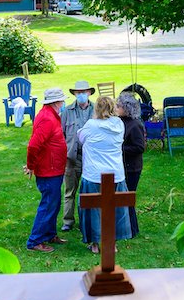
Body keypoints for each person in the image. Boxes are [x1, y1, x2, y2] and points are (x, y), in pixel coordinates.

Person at [77, 96, 131, 253]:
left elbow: (81, 138)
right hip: (115, 174)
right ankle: (112, 244)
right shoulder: (119, 124)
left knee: (93, 209)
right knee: (114, 209)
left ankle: (95, 244)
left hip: (94, 174)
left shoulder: (91, 125)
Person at [24, 88, 68, 253]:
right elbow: (34, 145)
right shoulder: (48, 118)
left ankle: (50, 234)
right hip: (49, 171)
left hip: (54, 169)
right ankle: (35, 240)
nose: (63, 103)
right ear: (56, 102)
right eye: (62, 101)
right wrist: (31, 165)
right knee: (48, 204)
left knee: (54, 204)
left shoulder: (50, 115)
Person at [60, 80, 95, 232]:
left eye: (84, 92)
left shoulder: (97, 110)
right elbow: (60, 135)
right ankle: (68, 221)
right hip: (71, 159)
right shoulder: (67, 111)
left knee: (88, 192)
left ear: (89, 93)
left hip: (91, 158)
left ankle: (85, 221)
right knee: (69, 191)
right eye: (78, 92)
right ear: (74, 94)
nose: (81, 95)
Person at [116, 92, 146, 238]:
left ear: (126, 108)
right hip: (123, 166)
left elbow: (140, 147)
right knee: (123, 199)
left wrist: (120, 149)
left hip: (132, 168)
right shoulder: (120, 121)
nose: (116, 108)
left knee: (128, 199)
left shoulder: (135, 125)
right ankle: (126, 228)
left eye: (119, 106)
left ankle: (132, 229)